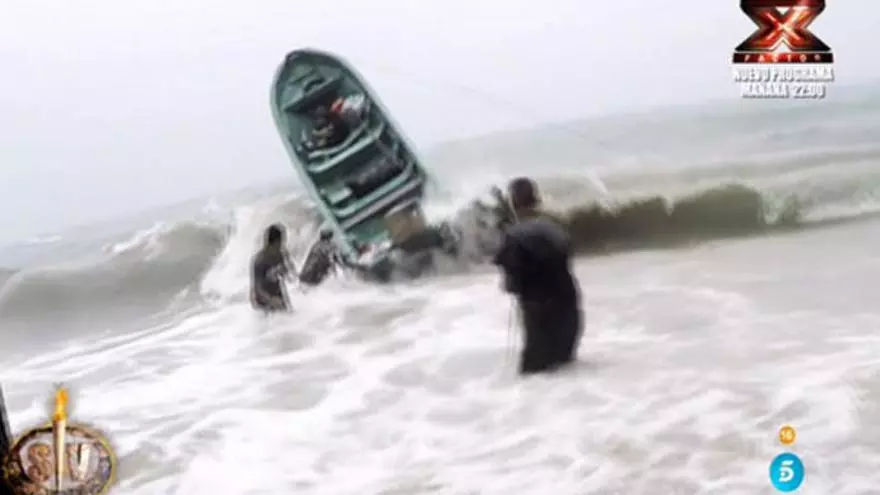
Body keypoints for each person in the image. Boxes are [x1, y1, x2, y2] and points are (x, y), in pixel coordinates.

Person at [492, 177, 583, 375]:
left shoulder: (513, 236)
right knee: (565, 368)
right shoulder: (556, 229)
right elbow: (567, 254)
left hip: (538, 310)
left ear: (513, 202)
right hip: (568, 304)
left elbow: (511, 284)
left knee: (534, 373)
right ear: (536, 198)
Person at [250, 224, 295, 313]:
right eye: (282, 241)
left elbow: (287, 275)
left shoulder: (280, 254)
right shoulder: (260, 260)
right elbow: (257, 289)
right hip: (262, 302)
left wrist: (286, 270)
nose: (283, 244)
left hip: (276, 295)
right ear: (276, 242)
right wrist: (271, 300)